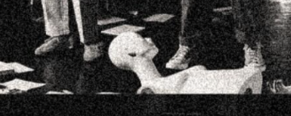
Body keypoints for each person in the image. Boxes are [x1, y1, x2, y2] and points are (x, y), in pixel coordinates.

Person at [108, 32, 263, 94]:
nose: (148, 39)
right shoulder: (147, 89)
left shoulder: (158, 82)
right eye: (141, 39)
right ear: (131, 53)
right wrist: (191, 71)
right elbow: (168, 87)